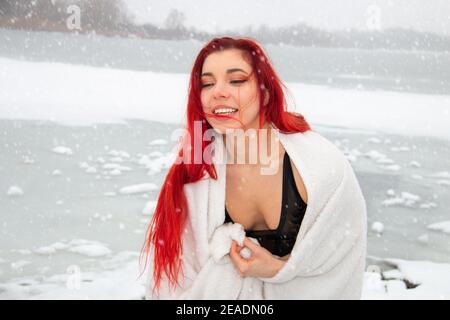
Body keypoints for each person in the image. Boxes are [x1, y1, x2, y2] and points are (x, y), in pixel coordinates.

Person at [140, 36, 367, 299]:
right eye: (207, 83)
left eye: (236, 80)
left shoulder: (323, 168)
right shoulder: (194, 173)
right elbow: (177, 279)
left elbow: (340, 266)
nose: (218, 92)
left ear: (265, 92)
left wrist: (279, 270)